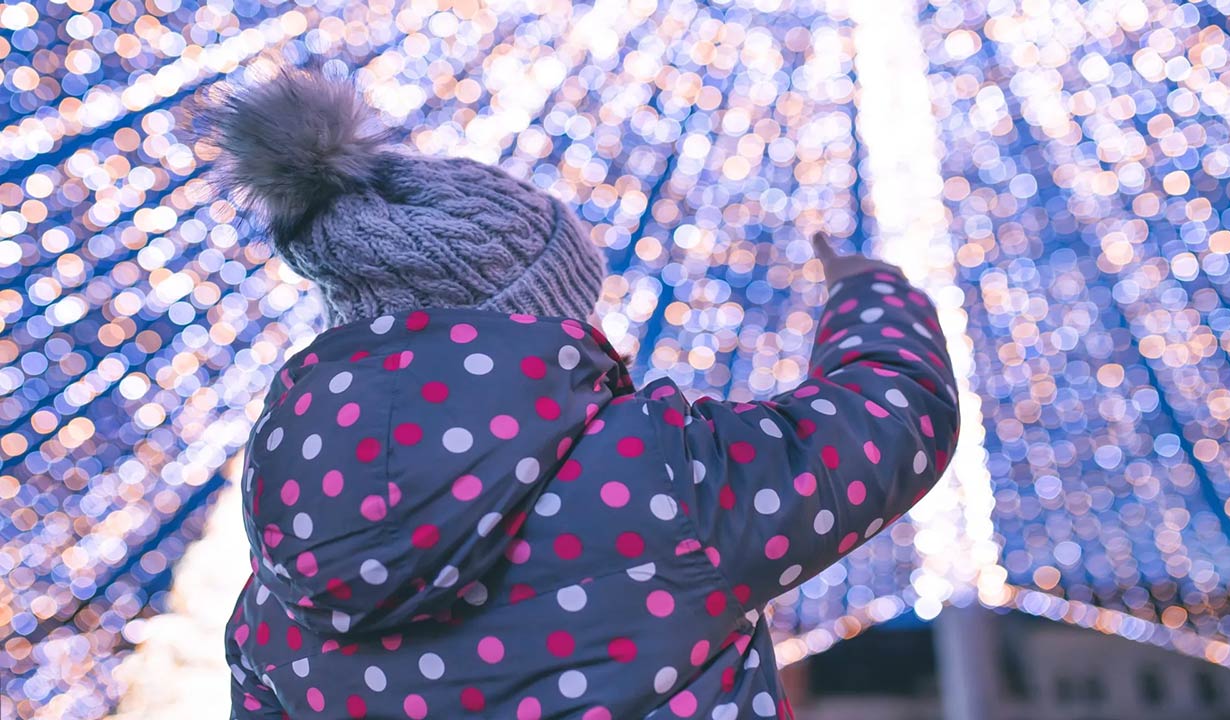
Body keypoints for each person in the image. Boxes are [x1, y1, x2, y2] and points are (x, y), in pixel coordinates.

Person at [197, 68, 960, 719]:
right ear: (536, 324)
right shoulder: (661, 477)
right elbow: (895, 417)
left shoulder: (279, 584)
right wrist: (867, 292)